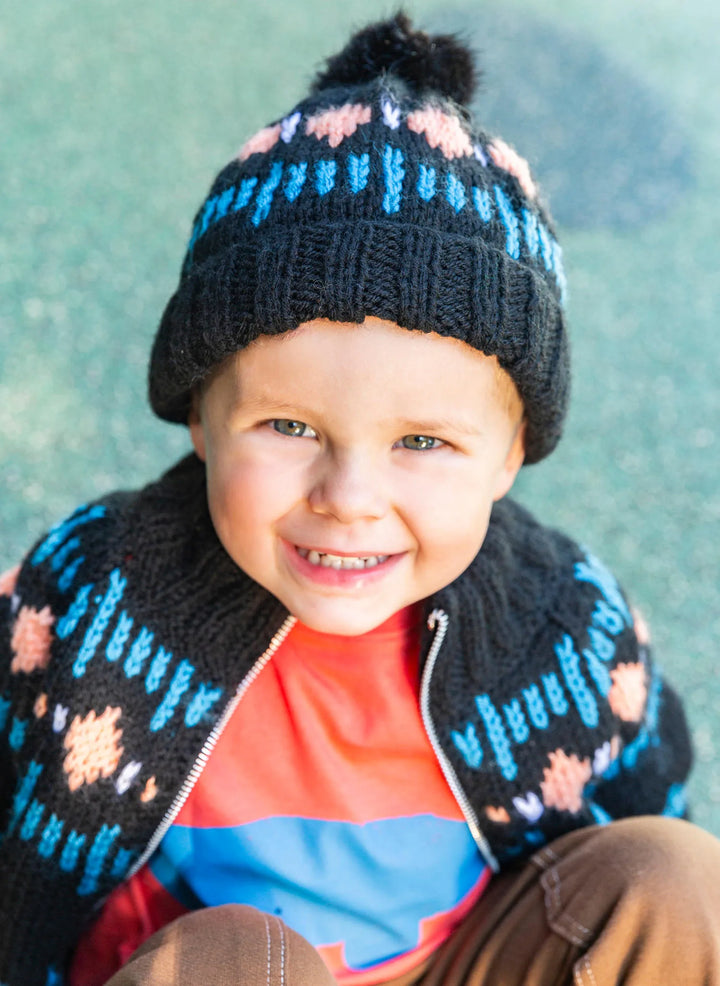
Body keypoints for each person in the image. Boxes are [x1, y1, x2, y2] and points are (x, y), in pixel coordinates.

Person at [1, 13, 718, 986]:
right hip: (200, 968)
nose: (350, 496)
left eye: (423, 441)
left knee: (676, 877)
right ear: (200, 417)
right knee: (234, 961)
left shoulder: (563, 618)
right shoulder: (98, 592)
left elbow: (650, 784)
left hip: (457, 961)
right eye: (289, 427)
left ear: (511, 453)